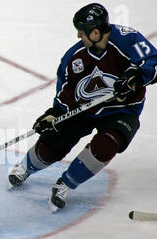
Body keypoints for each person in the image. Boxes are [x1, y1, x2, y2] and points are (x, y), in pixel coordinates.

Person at [8, 3, 157, 212]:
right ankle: (26, 167)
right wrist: (55, 113)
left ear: (95, 32)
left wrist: (137, 77)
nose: (79, 36)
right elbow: (65, 92)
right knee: (53, 142)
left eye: (82, 31)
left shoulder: (127, 39)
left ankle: (65, 184)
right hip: (84, 110)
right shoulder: (74, 58)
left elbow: (153, 61)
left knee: (107, 145)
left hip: (123, 110)